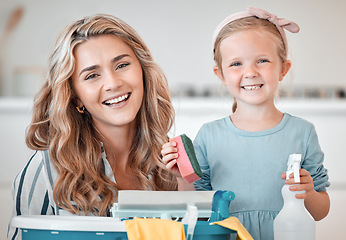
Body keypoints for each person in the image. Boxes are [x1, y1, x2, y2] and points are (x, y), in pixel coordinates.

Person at [161, 7, 330, 240]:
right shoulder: (209, 136)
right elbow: (196, 208)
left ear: (283, 68)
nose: (250, 72)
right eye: (236, 64)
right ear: (220, 74)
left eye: (262, 60)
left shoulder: (302, 132)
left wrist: (308, 191)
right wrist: (181, 177)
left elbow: (320, 212)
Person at [8, 14, 177, 240]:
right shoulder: (47, 170)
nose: (113, 83)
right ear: (75, 97)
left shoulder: (168, 165)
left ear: (143, 72)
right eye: (92, 75)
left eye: (122, 65)